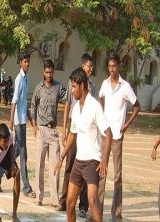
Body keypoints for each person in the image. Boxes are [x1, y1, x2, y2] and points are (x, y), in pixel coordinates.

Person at [54, 68, 113, 222]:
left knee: (92, 200)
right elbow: (73, 134)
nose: (72, 90)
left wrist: (104, 160)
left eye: (74, 86)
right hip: (78, 162)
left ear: (82, 86)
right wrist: (61, 158)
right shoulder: (75, 109)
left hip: (92, 162)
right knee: (70, 202)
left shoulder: (94, 106)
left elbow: (109, 134)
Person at [98, 52, 141, 221]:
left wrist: (126, 125)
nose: (112, 69)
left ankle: (116, 213)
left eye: (114, 66)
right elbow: (100, 97)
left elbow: (137, 106)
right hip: (104, 135)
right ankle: (98, 210)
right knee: (101, 172)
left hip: (117, 136)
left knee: (117, 175)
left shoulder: (125, 86)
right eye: (109, 66)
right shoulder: (105, 84)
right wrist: (102, 117)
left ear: (118, 67)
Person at [60, 53, 96, 215]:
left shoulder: (92, 87)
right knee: (70, 165)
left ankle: (83, 206)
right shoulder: (72, 83)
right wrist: (64, 128)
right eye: (89, 66)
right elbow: (67, 105)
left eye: (92, 67)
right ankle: (65, 199)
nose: (91, 69)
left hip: (86, 134)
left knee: (86, 171)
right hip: (74, 129)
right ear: (83, 67)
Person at [29, 59, 65, 208]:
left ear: (53, 72)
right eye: (47, 72)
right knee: (40, 165)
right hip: (41, 130)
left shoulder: (58, 87)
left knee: (54, 166)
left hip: (53, 131)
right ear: (44, 72)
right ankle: (39, 197)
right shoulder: (39, 88)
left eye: (51, 72)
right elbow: (32, 105)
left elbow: (68, 99)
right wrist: (34, 126)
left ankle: (55, 199)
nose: (49, 74)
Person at [6, 53, 34, 197]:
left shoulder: (26, 78)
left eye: (28, 62)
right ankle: (27, 188)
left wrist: (30, 119)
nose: (27, 64)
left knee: (16, 151)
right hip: (18, 121)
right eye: (24, 62)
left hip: (22, 120)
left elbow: (24, 102)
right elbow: (14, 101)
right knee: (23, 154)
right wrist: (11, 121)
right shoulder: (18, 79)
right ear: (20, 63)